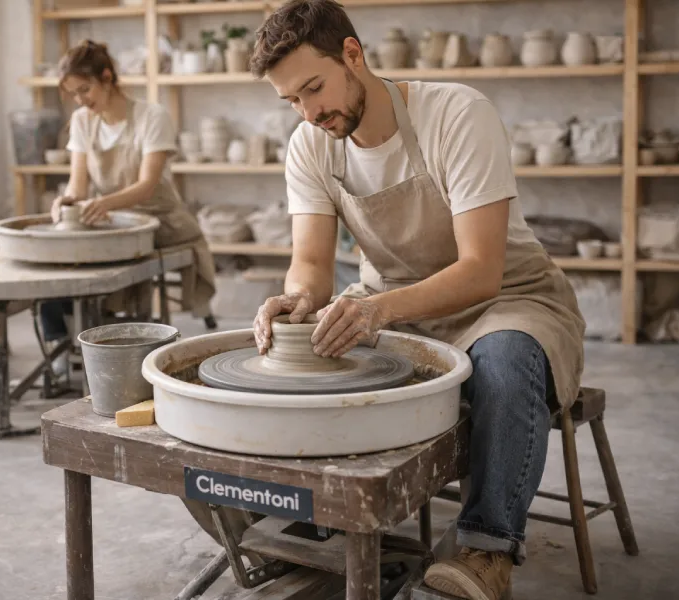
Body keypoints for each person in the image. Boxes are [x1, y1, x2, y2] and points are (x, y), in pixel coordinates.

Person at [249, 1, 586, 599]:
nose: (309, 112)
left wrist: (378, 311)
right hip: (393, 298)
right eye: (292, 101)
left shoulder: (455, 113)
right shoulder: (311, 143)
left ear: (353, 54)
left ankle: (487, 549)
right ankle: (317, 519)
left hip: (505, 299)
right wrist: (295, 301)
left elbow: (482, 272)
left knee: (504, 364)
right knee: (306, 355)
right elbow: (311, 267)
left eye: (314, 88)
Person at [39, 40, 217, 366]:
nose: (80, 100)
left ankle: (111, 335)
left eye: (85, 89)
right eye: (73, 94)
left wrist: (103, 203)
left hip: (158, 217)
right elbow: (78, 185)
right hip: (111, 217)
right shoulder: (81, 120)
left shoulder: (151, 116)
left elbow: (147, 186)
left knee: (104, 261)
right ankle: (62, 343)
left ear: (107, 77)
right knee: (54, 258)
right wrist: (66, 202)